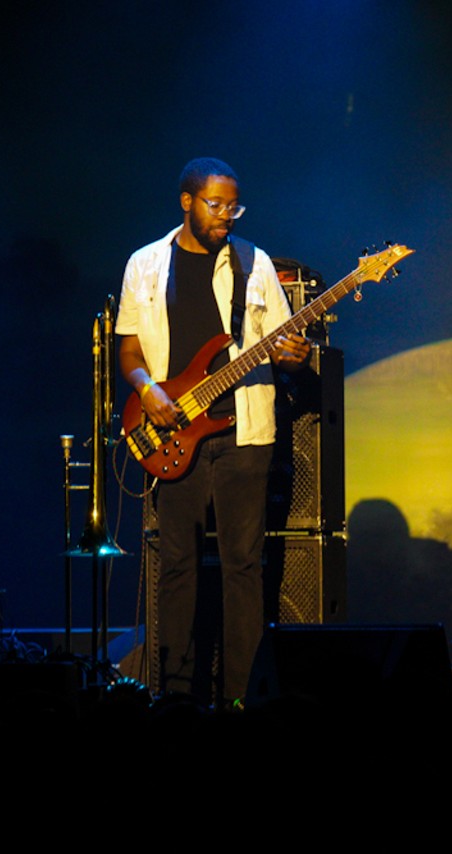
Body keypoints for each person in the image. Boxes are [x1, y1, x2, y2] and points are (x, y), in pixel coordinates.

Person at [117, 157, 310, 703]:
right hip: (175, 431)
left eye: (233, 206)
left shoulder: (257, 263)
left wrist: (296, 355)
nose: (226, 215)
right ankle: (176, 696)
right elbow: (128, 350)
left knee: (243, 567)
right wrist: (147, 390)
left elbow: (284, 347)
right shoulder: (146, 264)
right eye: (216, 204)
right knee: (176, 566)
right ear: (187, 201)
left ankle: (242, 697)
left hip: (245, 434)